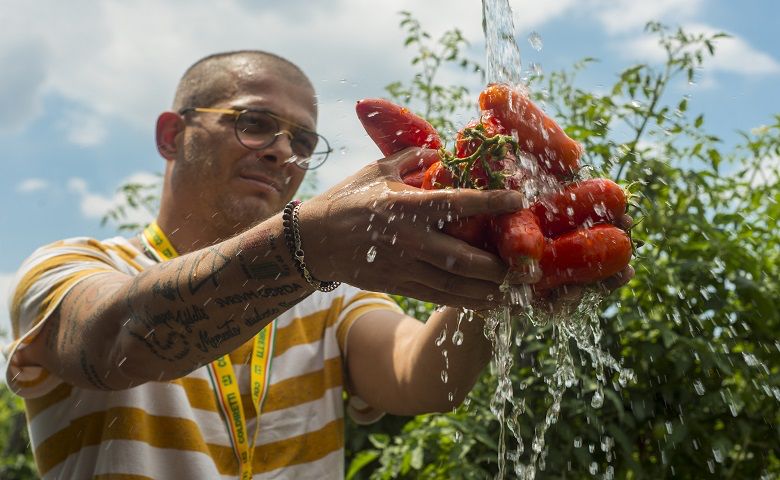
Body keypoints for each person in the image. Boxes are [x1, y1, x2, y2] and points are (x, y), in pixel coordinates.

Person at [4, 50, 633, 479]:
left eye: (303, 141)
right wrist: (307, 246)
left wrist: (499, 274)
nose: (283, 151)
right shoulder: (70, 266)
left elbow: (424, 381)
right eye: (255, 124)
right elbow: (117, 342)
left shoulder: (326, 295)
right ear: (172, 134)